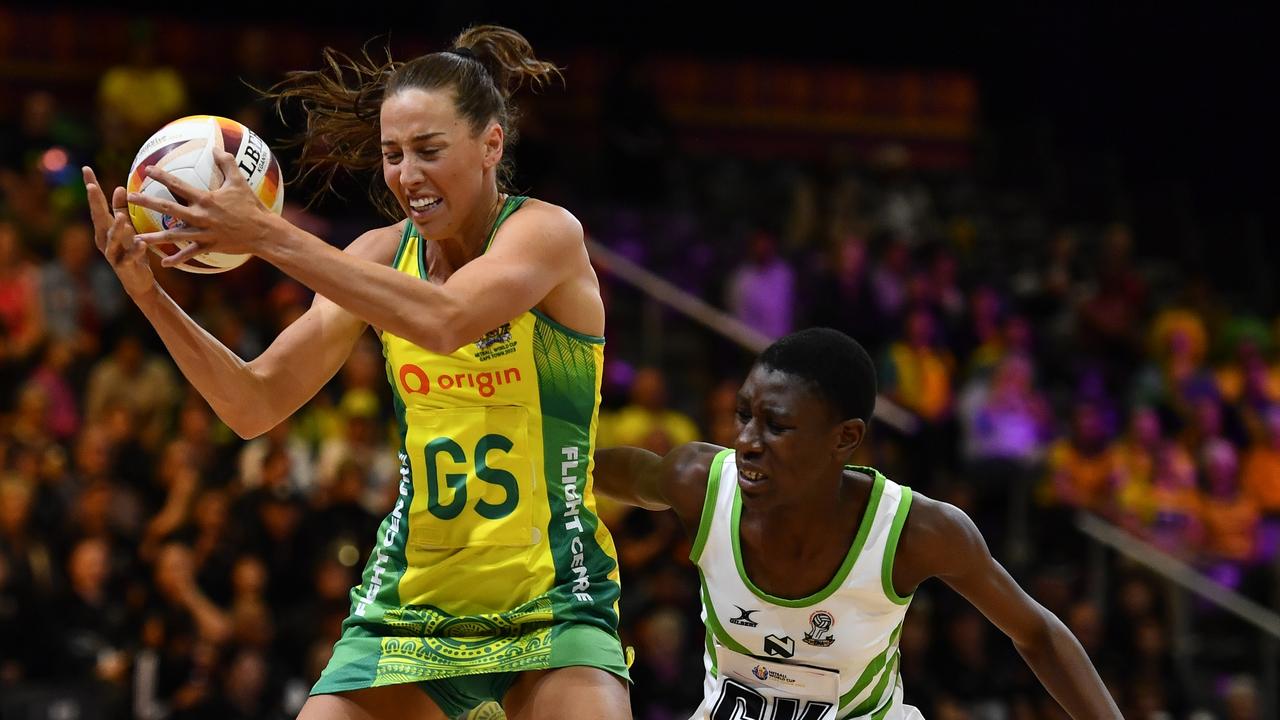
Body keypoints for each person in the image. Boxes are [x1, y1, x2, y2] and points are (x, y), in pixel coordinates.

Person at [82, 25, 630, 720]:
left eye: (429, 151)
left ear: (492, 144)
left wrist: (268, 235)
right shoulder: (376, 257)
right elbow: (254, 403)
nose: (406, 175)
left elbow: (445, 319)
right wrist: (150, 298)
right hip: (410, 603)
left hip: (554, 602)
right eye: (393, 154)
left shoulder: (546, 234)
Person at [594, 328, 1121, 719]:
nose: (748, 441)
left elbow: (1036, 634)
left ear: (844, 438)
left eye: (776, 425)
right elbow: (602, 469)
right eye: (744, 415)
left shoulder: (916, 531)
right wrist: (543, 461)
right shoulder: (701, 482)